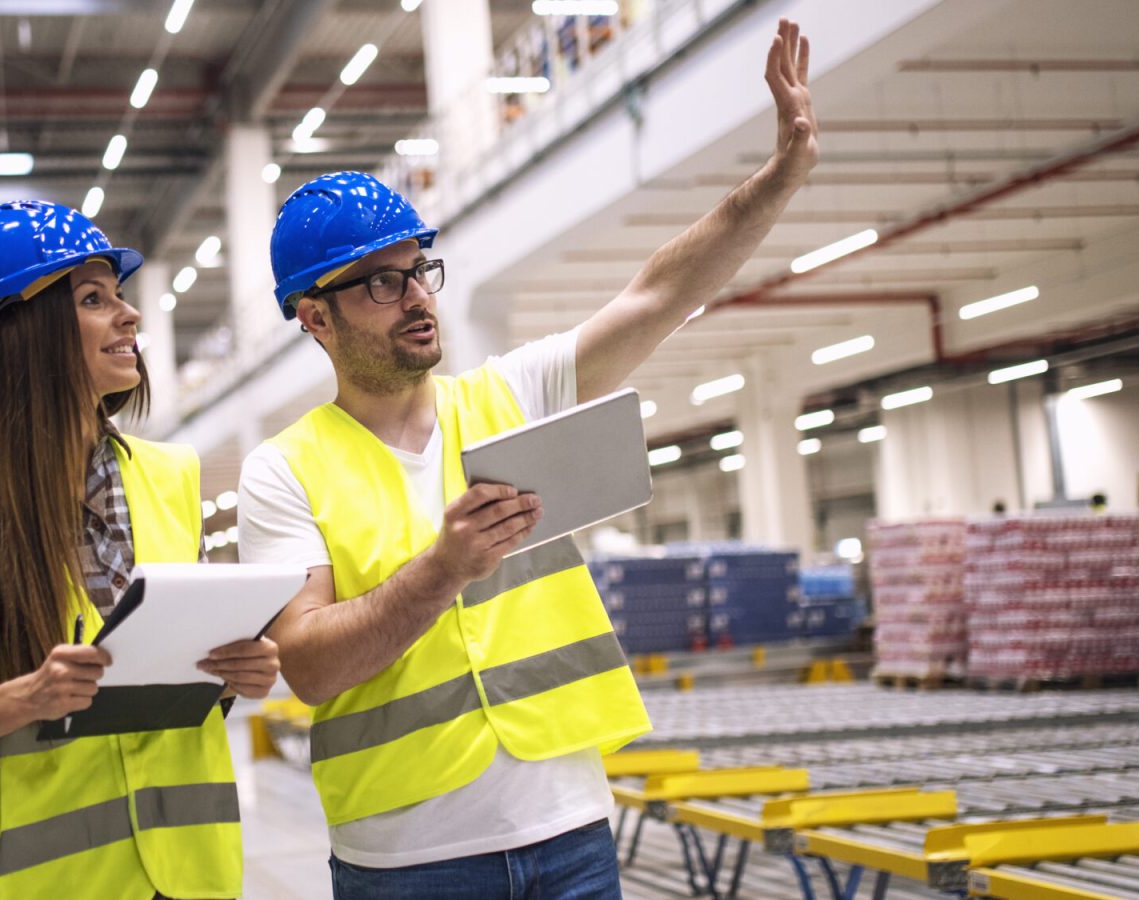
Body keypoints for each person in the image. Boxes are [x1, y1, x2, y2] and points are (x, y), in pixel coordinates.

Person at [237, 19, 818, 897]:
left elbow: (660, 292)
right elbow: (308, 666)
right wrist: (443, 568)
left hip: (571, 831)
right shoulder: (282, 470)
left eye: (419, 270)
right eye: (381, 283)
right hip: (408, 861)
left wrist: (778, 179)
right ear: (314, 318)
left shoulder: (510, 398)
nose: (416, 298)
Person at [0, 200, 279, 899]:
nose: (129, 316)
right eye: (94, 299)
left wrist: (229, 675)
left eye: (120, 296)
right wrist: (22, 699)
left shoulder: (171, 478)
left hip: (189, 874)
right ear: (23, 335)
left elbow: (171, 686)